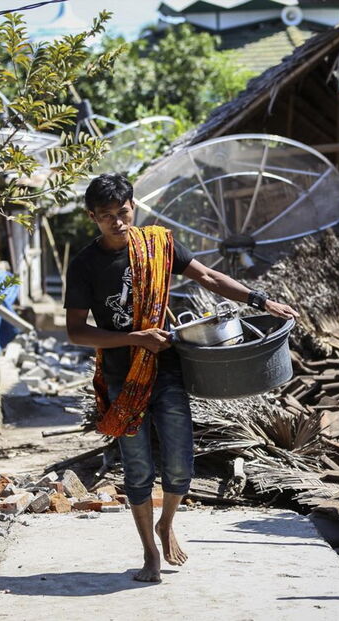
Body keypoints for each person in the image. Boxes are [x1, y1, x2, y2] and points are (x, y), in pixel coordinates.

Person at [64, 173, 299, 583]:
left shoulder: (159, 245)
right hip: (123, 377)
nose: (118, 222)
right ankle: (149, 553)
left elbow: (208, 277)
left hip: (167, 371)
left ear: (132, 207)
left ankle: (166, 522)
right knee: (137, 469)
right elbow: (76, 331)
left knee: (180, 463)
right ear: (92, 217)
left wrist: (260, 300)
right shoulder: (85, 264)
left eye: (123, 212)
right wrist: (135, 337)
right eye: (106, 217)